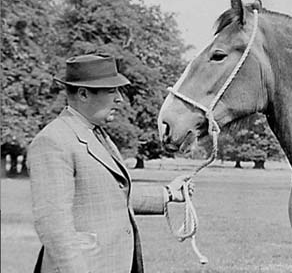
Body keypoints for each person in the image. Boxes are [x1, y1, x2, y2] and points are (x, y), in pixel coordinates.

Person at [28, 54, 193, 273]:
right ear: (83, 94)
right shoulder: (53, 141)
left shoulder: (97, 134)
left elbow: (108, 195)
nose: (120, 99)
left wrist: (168, 193)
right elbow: (54, 227)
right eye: (111, 91)